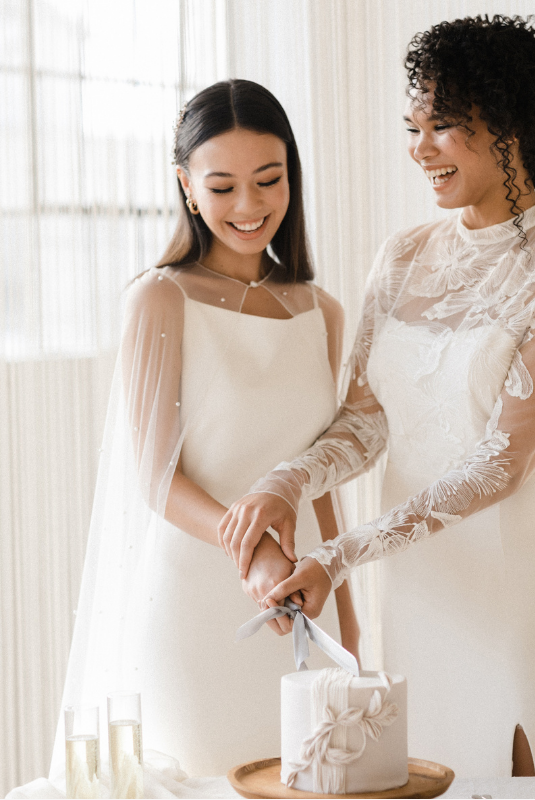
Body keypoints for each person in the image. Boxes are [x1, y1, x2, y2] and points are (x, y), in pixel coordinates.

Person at [220, 15, 535, 776]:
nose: (420, 148)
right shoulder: (401, 255)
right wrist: (286, 482)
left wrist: (340, 554)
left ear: (512, 127)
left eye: (443, 126)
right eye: (412, 128)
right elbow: (365, 424)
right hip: (415, 589)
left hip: (512, 581)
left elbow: (503, 463)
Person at [53, 79, 358, 779]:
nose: (248, 206)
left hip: (305, 599)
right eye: (222, 187)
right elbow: (157, 479)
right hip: (198, 602)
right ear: (188, 187)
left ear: (292, 176)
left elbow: (323, 479)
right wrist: (254, 555)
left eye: (268, 180)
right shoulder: (160, 298)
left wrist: (350, 614)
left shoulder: (323, 312)